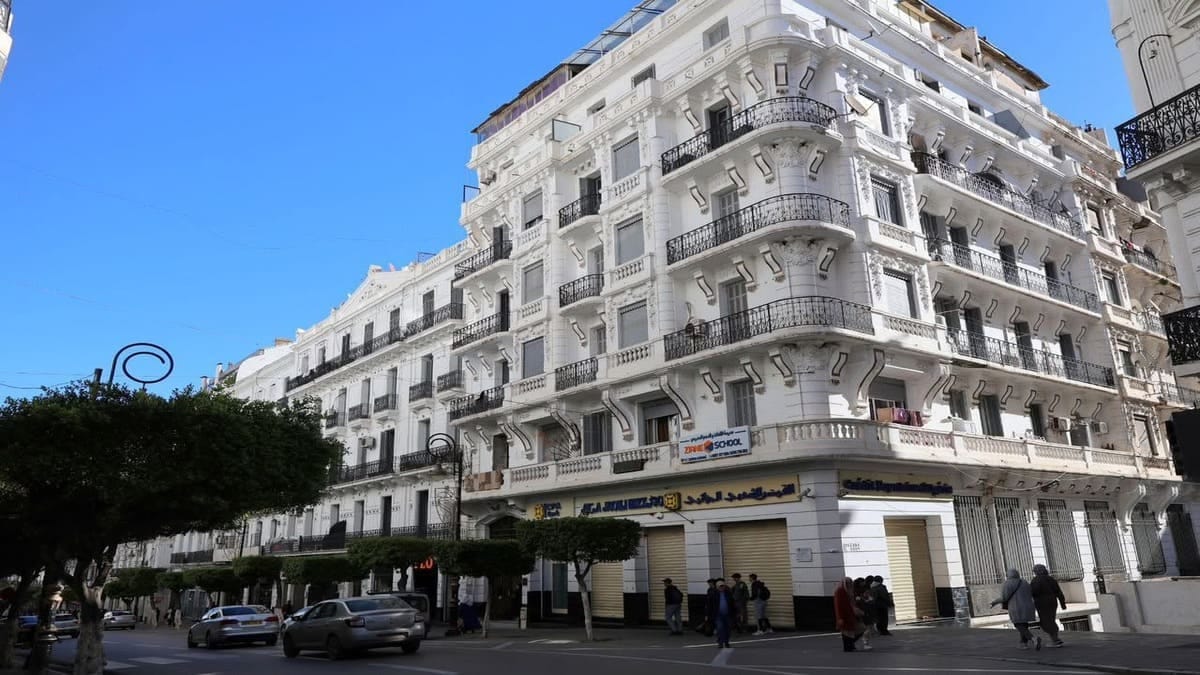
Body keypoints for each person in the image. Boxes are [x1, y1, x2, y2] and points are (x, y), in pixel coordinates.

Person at [991, 569, 1038, 650]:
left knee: (1018, 624)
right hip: (1028, 606)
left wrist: (994, 602)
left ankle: (1033, 638)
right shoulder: (1024, 582)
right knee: (1024, 624)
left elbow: (1004, 598)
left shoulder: (1008, 583)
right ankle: (1023, 643)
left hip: (1016, 607)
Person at [1030, 564, 1066, 647]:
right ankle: (1055, 638)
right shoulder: (1051, 579)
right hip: (1053, 602)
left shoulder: (1036, 580)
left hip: (1042, 603)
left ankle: (1055, 639)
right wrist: (1063, 604)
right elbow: (1059, 592)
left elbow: (1033, 592)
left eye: (1035, 571)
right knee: (1051, 619)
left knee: (1046, 622)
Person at [834, 577, 864, 652]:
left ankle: (850, 645)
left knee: (858, 629)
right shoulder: (840, 591)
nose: (849, 584)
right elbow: (838, 605)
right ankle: (848, 647)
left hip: (851, 614)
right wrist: (840, 617)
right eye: (848, 583)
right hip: (845, 615)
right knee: (847, 632)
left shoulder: (850, 591)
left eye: (850, 582)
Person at [705, 579, 736, 648]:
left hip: (727, 614)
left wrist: (736, 613)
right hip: (718, 615)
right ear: (717, 587)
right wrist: (707, 614)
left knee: (728, 629)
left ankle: (726, 641)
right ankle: (720, 642)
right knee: (720, 628)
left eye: (723, 586)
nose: (722, 587)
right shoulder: (713, 594)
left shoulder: (728, 593)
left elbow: (733, 604)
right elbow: (709, 605)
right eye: (720, 586)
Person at [853, 578, 874, 651]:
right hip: (862, 612)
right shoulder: (856, 593)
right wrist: (866, 600)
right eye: (863, 582)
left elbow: (870, 599)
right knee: (865, 628)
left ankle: (864, 642)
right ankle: (865, 643)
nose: (864, 583)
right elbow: (860, 602)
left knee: (866, 628)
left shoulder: (861, 591)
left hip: (865, 611)